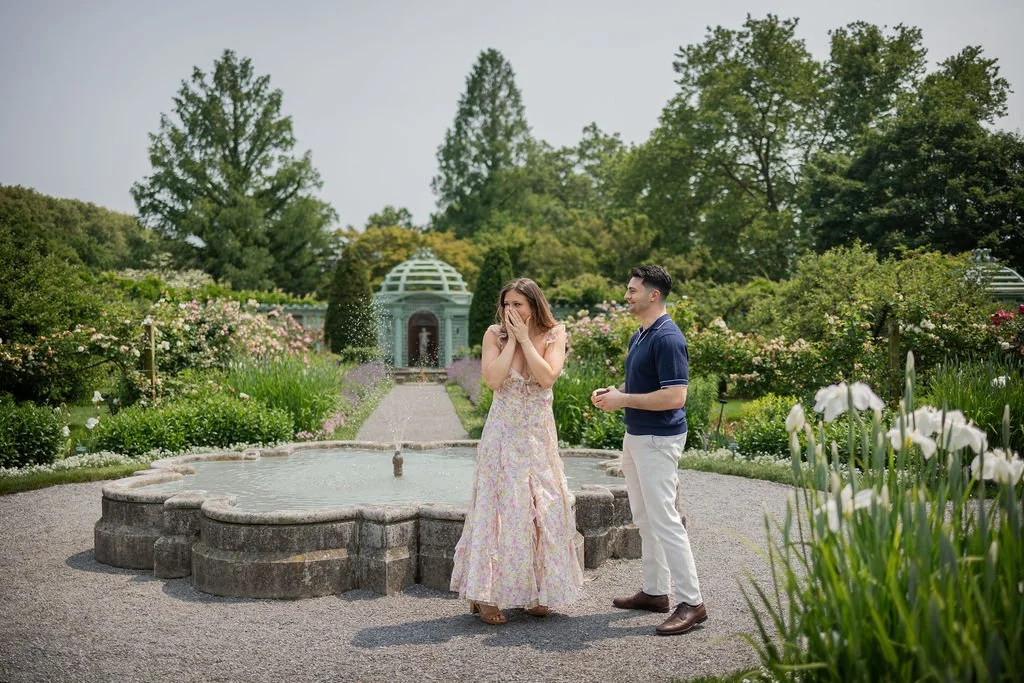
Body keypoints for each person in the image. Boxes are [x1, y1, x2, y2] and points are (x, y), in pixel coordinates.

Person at [450, 278, 583, 625]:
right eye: (507, 304)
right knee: (499, 510)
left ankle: (536, 592)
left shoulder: (555, 333)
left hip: (538, 435)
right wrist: (512, 341)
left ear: (534, 306)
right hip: (503, 435)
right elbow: (493, 380)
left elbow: (547, 377)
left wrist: (526, 339)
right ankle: (486, 595)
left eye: (518, 305)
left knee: (544, 508)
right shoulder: (494, 335)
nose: (511, 311)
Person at [591, 265, 707, 636]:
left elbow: (675, 396)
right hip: (637, 435)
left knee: (665, 520)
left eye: (632, 291)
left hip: (659, 439)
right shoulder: (640, 334)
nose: (627, 296)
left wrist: (623, 398)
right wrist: (616, 393)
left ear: (653, 295)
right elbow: (643, 386)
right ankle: (656, 592)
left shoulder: (668, 337)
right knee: (644, 517)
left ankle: (692, 602)